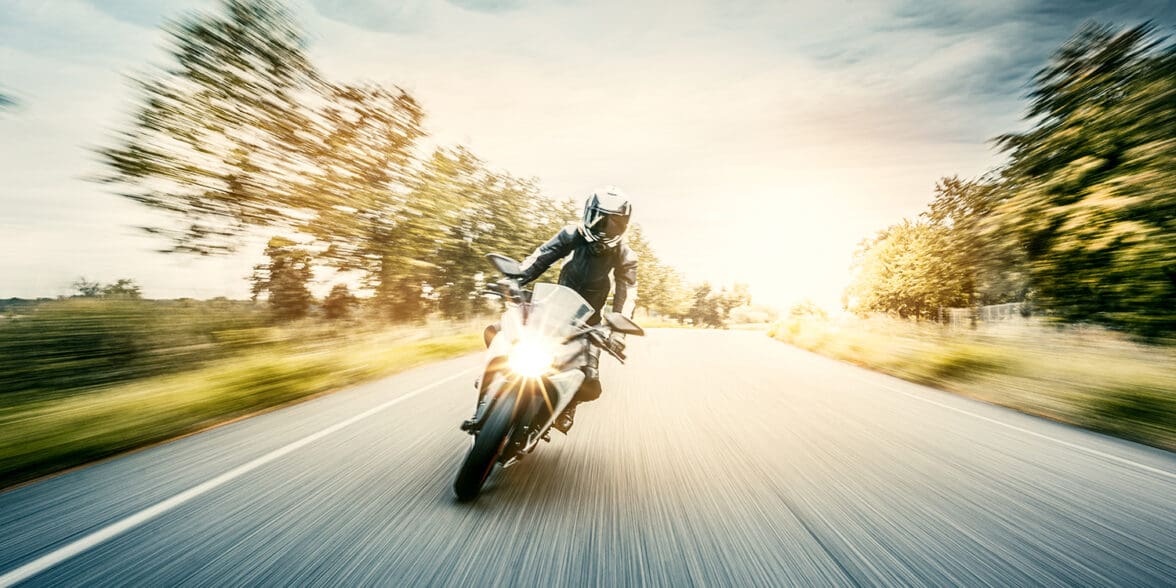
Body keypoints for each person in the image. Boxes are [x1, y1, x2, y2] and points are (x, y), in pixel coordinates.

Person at [472, 186, 638, 434]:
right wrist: (515, 278)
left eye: (614, 222)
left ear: (624, 225)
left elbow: (627, 293)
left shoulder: (625, 254)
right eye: (599, 218)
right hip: (553, 306)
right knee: (496, 331)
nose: (604, 227)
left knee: (589, 382)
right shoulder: (573, 233)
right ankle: (494, 378)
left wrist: (617, 332)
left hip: (588, 320)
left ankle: (567, 405)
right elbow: (541, 256)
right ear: (587, 214)